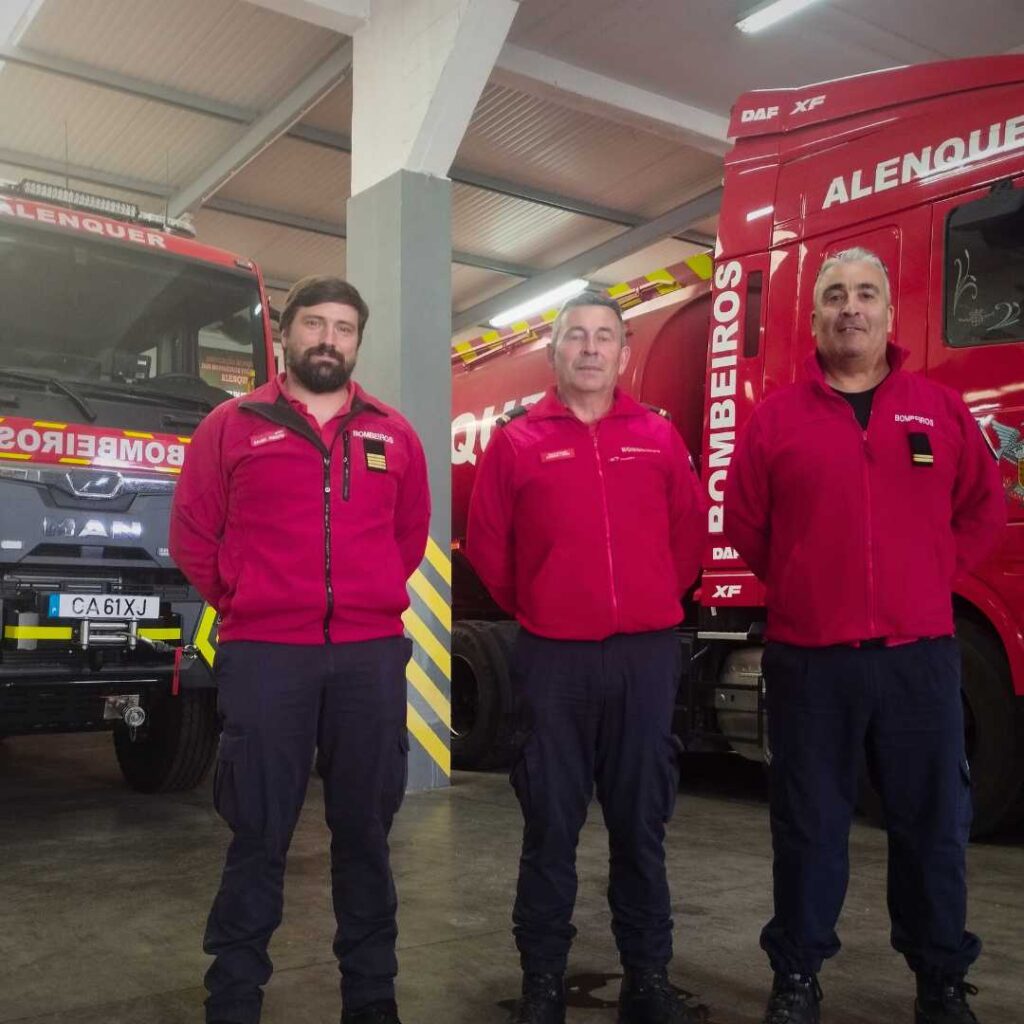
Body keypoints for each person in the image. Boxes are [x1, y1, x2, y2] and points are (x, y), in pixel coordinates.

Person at [724, 248, 1005, 1024]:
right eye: (836, 296)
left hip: (919, 659)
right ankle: (797, 977)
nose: (852, 308)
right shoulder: (776, 417)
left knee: (933, 828)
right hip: (811, 662)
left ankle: (941, 979)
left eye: (867, 294)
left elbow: (982, 507)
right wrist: (810, 584)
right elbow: (747, 523)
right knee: (809, 826)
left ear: (890, 312)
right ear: (815, 318)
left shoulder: (937, 409)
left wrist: (928, 574)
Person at [170, 276, 429, 1024]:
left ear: (356, 342)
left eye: (344, 327)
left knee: (366, 838)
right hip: (265, 657)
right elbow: (192, 534)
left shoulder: (394, 433)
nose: (328, 338)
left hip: (368, 658)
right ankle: (235, 999)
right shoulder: (231, 423)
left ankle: (371, 1002)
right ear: (285, 334)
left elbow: (406, 538)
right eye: (314, 323)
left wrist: (360, 597)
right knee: (257, 833)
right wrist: (250, 598)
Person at [466, 292, 709, 1024]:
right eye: (577, 336)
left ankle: (648, 978)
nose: (592, 349)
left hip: (644, 658)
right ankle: (543, 981)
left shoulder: (658, 439)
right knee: (550, 825)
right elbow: (489, 549)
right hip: (555, 661)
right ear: (556, 352)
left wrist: (643, 604)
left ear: (624, 353)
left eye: (606, 337)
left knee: (641, 824)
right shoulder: (517, 443)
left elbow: (688, 540)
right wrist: (549, 606)